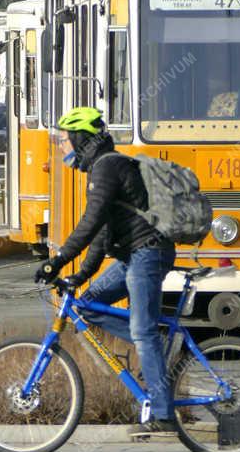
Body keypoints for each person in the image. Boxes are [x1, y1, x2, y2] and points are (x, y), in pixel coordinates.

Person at [35, 107, 176, 432]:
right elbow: (101, 235)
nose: (62, 148)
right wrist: (79, 275)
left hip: (148, 253)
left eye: (65, 141)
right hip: (133, 254)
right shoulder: (103, 167)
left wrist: (56, 260)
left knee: (142, 331)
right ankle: (160, 344)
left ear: (82, 139)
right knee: (85, 306)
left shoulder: (107, 166)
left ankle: (163, 416)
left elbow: (91, 221)